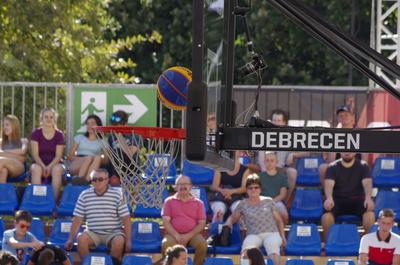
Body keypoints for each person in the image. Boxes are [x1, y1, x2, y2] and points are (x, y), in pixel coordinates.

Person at [64, 168, 131, 264]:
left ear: (107, 180)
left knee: (119, 241)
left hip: (113, 233)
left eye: (100, 179)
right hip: (93, 232)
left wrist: (128, 241)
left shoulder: (117, 194)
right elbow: (77, 219)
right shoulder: (84, 195)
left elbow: (126, 218)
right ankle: (88, 263)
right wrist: (70, 239)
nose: (97, 182)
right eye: (94, 180)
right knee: (81, 238)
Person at [225, 174, 285, 265]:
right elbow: (233, 218)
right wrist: (227, 224)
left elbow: (279, 221)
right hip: (253, 234)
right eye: (250, 188)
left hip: (272, 233)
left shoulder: (269, 201)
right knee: (246, 252)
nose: (253, 190)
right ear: (246, 190)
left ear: (260, 189)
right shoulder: (243, 204)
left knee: (273, 249)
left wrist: (283, 236)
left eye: (256, 187)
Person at [321, 152, 375, 240]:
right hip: (338, 201)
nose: (347, 152)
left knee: (370, 215)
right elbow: (329, 185)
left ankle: (368, 243)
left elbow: (367, 184)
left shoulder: (363, 166)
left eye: (350, 150)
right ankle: (329, 243)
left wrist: (368, 198)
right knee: (326, 217)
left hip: (357, 200)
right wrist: (329, 198)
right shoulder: (332, 167)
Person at [161, 175, 207, 265]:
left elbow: (202, 223)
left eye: (185, 184)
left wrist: (188, 236)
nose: (183, 187)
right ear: (175, 187)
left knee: (202, 244)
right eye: (180, 184)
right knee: (165, 244)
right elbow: (166, 221)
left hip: (193, 235)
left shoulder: (199, 203)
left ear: (191, 186)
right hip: (173, 234)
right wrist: (176, 235)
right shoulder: (168, 201)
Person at [319, 105, 368, 186]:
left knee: (365, 168)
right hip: (338, 167)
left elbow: (364, 159)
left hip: (356, 167)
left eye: (346, 115)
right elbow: (331, 161)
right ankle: (329, 197)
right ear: (338, 119)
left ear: (352, 117)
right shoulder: (334, 135)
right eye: (341, 115)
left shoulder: (360, 134)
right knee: (323, 167)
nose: (343, 117)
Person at [256, 109, 298, 201]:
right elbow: (261, 158)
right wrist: (266, 173)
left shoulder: (288, 137)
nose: (276, 123)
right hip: (264, 168)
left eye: (279, 121)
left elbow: (308, 151)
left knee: (292, 172)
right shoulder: (264, 135)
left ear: (284, 122)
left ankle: (285, 201)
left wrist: (293, 154)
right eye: (274, 121)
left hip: (280, 169)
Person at [30, 108, 65, 199]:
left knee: (56, 170)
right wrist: (43, 167)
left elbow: (58, 156)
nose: (49, 119)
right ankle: (38, 201)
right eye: (46, 117)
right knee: (36, 169)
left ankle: (52, 202)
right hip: (39, 163)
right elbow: (35, 155)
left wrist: (49, 167)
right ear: (41, 119)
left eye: (51, 117)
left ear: (54, 120)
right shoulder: (36, 133)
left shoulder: (59, 135)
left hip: (55, 164)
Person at [209, 150, 251, 222]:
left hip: (237, 198)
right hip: (221, 197)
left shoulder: (245, 170)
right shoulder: (219, 168)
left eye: (235, 151)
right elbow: (214, 186)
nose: (232, 153)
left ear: (240, 153)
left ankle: (241, 232)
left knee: (239, 211)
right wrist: (223, 191)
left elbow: (244, 188)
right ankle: (217, 231)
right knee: (219, 211)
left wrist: (231, 192)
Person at [68, 114, 103, 184]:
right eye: (88, 124)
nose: (90, 126)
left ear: (98, 125)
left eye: (92, 123)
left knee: (98, 158)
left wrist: (98, 157)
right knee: (89, 158)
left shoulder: (103, 141)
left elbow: (106, 160)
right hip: (78, 162)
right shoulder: (80, 137)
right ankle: (79, 180)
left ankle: (86, 182)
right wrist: (86, 159)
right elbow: (70, 156)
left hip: (93, 164)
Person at [107, 110, 140, 184]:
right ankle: (113, 176)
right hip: (116, 167)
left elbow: (130, 153)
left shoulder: (134, 135)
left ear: (125, 124)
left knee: (118, 152)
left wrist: (119, 135)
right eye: (114, 125)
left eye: (118, 125)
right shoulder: (111, 136)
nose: (115, 127)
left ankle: (117, 177)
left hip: (131, 167)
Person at [259, 151, 289, 225]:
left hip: (277, 201)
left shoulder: (282, 176)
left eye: (272, 161)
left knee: (284, 215)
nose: (269, 163)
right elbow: (256, 192)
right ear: (264, 162)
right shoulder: (259, 176)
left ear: (276, 162)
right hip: (262, 201)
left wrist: (272, 201)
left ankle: (281, 232)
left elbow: (283, 195)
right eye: (267, 161)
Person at [0, 115, 28, 183]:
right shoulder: (1, 141)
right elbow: (21, 157)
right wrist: (17, 156)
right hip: (4, 165)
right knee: (3, 170)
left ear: (14, 126)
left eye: (7, 125)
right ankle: (2, 192)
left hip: (18, 168)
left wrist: (3, 152)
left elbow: (22, 152)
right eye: (4, 125)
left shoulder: (23, 141)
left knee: (1, 160)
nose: (5, 127)